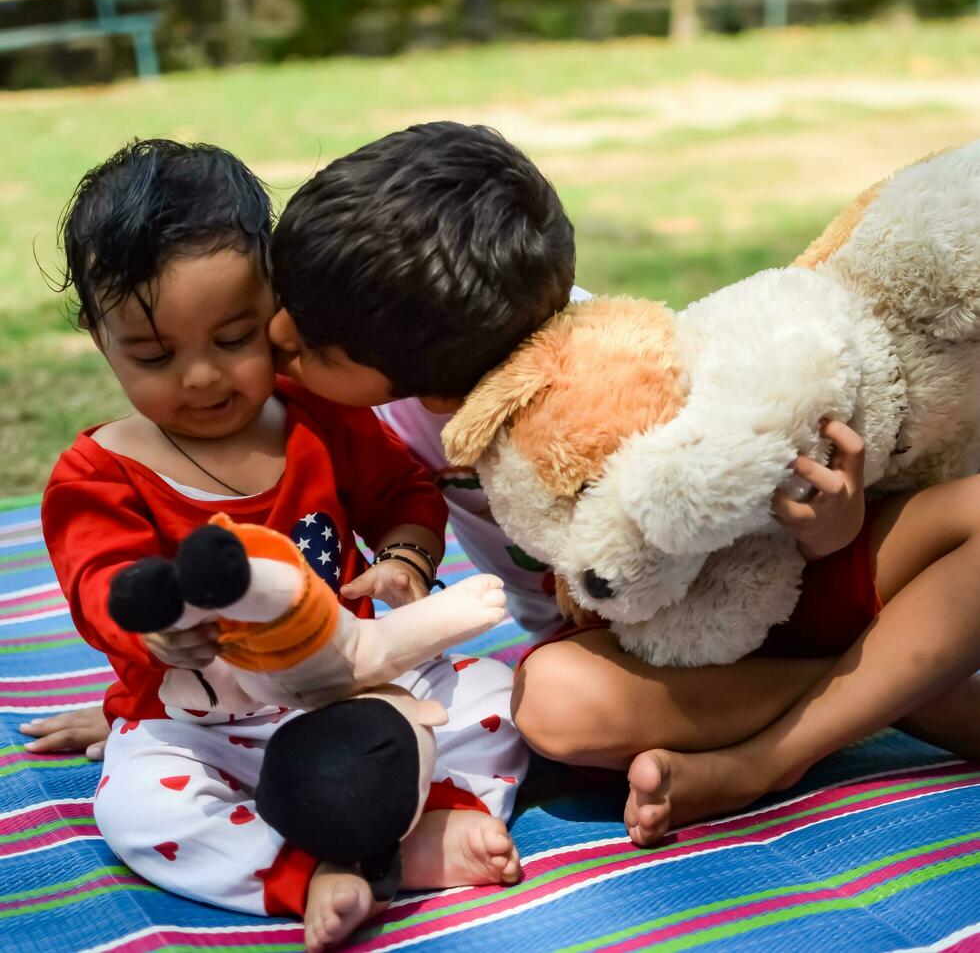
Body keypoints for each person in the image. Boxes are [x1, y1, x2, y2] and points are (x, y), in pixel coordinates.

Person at [34, 122, 980, 866]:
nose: (279, 342)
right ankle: (898, 679)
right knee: (555, 702)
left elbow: (744, 482)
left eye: (297, 340)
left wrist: (835, 530)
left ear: (435, 392)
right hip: (645, 655)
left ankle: (801, 740)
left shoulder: (599, 364)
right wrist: (155, 697)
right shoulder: (370, 359)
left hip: (785, 577)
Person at [38, 138, 527, 951]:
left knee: (502, 699)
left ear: (276, 303)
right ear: (100, 339)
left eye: (234, 339)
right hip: (209, 721)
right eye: (156, 356)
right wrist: (154, 631)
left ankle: (436, 818)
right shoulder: (99, 474)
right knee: (137, 809)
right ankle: (306, 871)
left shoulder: (314, 414)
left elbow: (403, 492)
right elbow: (101, 582)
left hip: (359, 679)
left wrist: (407, 560)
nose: (202, 378)